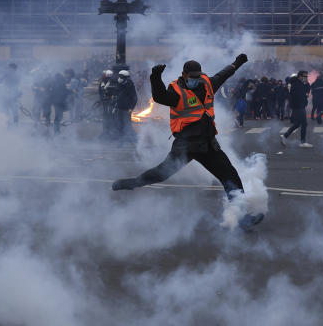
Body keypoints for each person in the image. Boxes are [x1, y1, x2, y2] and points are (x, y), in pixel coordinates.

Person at [111, 54, 264, 230]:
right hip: (185, 146)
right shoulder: (176, 92)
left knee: (231, 177)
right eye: (193, 77)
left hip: (208, 145)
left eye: (198, 76)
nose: (196, 80)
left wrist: (237, 63)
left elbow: (222, 75)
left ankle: (241, 218)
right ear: (184, 75)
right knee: (161, 174)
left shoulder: (207, 84)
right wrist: (155, 77)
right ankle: (132, 183)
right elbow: (160, 97)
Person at [281, 71, 313, 148]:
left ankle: (285, 136)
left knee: (297, 124)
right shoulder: (296, 84)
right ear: (300, 76)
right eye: (304, 76)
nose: (306, 78)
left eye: (306, 76)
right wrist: (301, 103)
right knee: (304, 124)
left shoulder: (300, 83)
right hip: (298, 106)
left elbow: (305, 92)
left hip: (299, 106)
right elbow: (296, 96)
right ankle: (303, 142)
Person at [113, 69, 138, 141]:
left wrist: (131, 108)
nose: (119, 78)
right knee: (120, 125)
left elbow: (135, 98)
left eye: (121, 76)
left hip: (126, 109)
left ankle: (130, 139)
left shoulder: (130, 85)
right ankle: (121, 139)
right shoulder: (120, 85)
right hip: (119, 108)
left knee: (127, 125)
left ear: (125, 78)